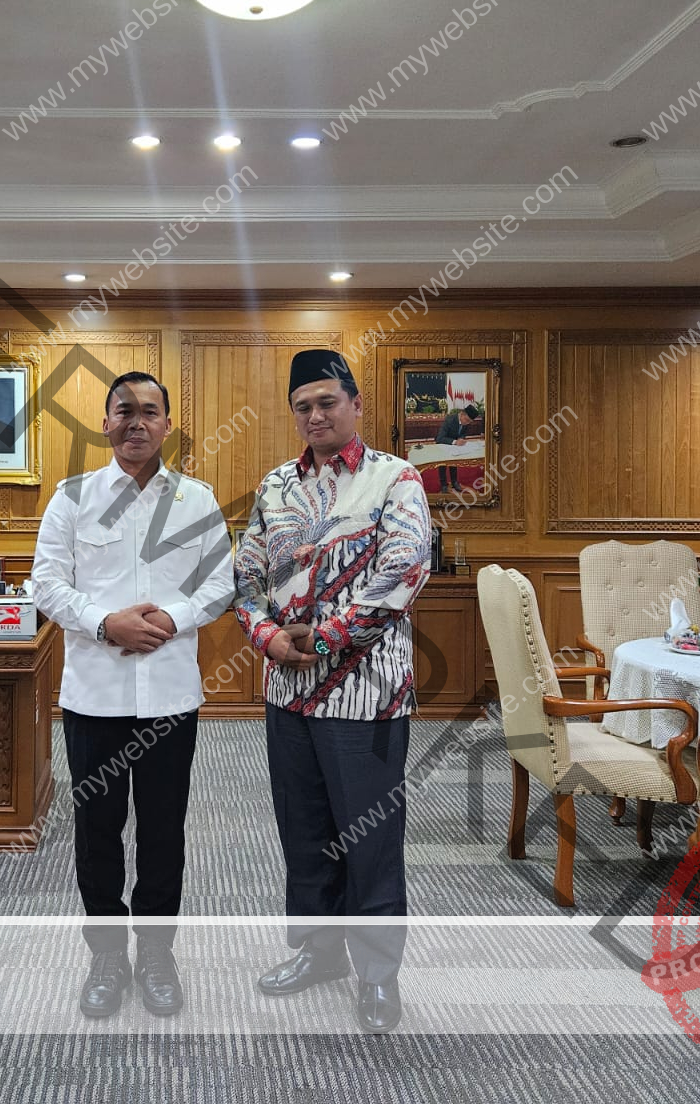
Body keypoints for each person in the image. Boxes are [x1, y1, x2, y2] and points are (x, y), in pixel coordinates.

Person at [234, 348, 432, 1034]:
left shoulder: (395, 480)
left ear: (355, 404)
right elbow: (246, 580)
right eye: (303, 407)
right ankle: (319, 952)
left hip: (367, 697)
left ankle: (379, 975)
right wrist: (267, 637)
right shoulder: (275, 487)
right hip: (286, 695)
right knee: (306, 833)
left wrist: (320, 639)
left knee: (370, 838)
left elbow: (402, 573)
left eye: (327, 402)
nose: (315, 415)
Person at [31, 371, 234, 1019]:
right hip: (95, 697)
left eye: (150, 412)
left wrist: (173, 618)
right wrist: (103, 622)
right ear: (105, 421)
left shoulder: (196, 501)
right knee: (96, 832)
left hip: (171, 695)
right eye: (125, 411)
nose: (137, 422)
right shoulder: (71, 498)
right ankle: (107, 956)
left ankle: (155, 953)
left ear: (168, 425)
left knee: (163, 831)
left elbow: (220, 584)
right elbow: (46, 584)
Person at [435, 402, 479, 491]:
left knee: (454, 463)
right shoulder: (450, 420)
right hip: (444, 444)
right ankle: (444, 484)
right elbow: (439, 438)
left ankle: (454, 482)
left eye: (469, 422)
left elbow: (463, 434)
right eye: (466, 420)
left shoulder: (466, 422)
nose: (467, 423)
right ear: (462, 414)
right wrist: (455, 442)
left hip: (455, 447)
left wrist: (462, 439)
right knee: (443, 464)